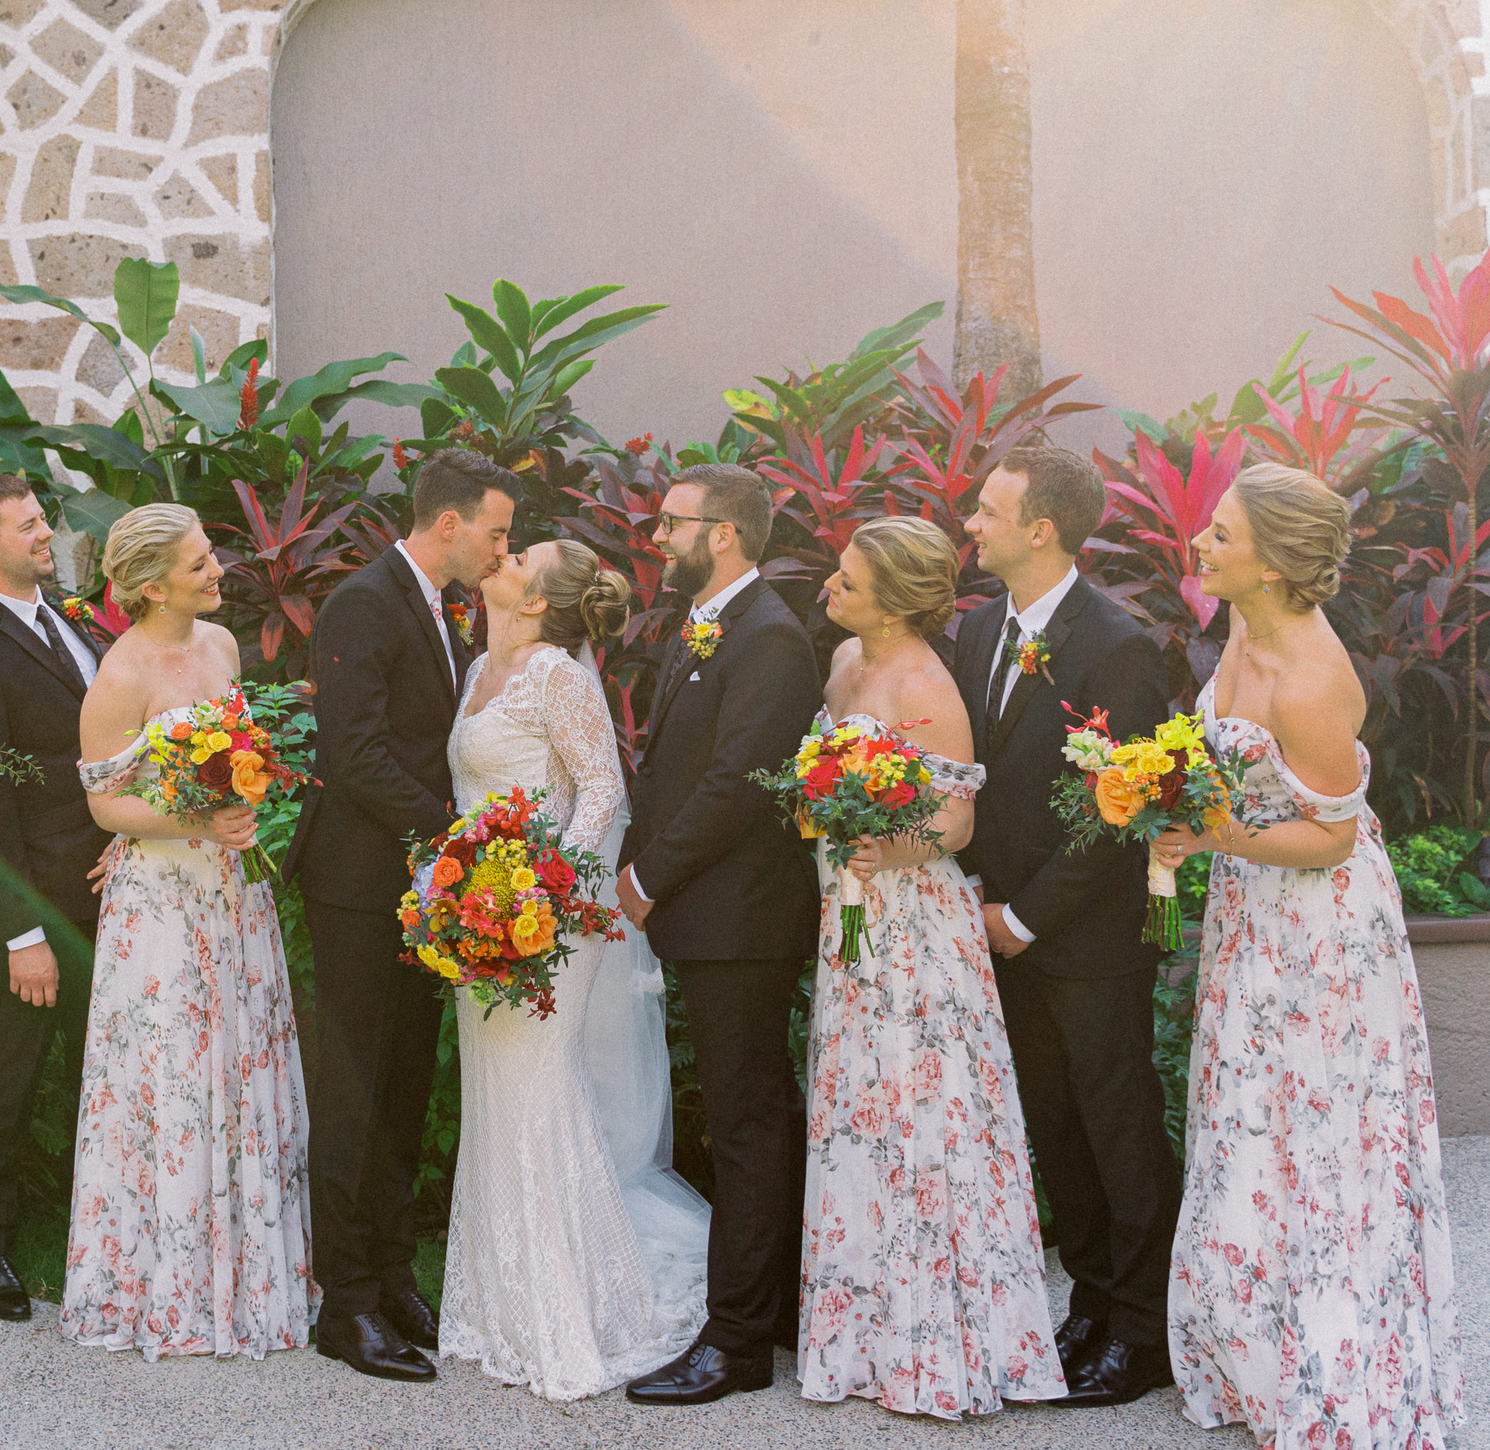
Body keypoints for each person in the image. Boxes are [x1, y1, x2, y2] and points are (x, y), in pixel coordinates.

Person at [1153, 462, 1462, 1449]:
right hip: (1253, 912)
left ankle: (1328, 1360)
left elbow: (1331, 837)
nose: (1201, 543)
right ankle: (1250, 1348)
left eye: (1222, 535)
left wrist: (1208, 837)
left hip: (1321, 933)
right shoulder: (1243, 627)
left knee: (1317, 1135)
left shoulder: (1315, 679)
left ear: (1278, 565)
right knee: (1248, 1119)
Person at [791, 517, 1065, 1417]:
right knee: (859, 1109)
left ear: (897, 598)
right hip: (851, 910)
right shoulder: (841, 665)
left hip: (914, 921)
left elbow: (954, 823)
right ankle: (863, 1330)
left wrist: (883, 844)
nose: (831, 588)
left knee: (921, 1111)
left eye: (849, 580)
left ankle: (943, 1335)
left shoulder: (925, 681)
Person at [436, 538, 710, 1400]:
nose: (502, 553)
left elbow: (602, 791)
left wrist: (545, 891)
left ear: (537, 597)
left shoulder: (557, 672)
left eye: (520, 554)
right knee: (496, 1097)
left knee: (540, 1091)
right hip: (480, 913)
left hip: (548, 920)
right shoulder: (482, 662)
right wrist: (470, 892)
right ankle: (499, 1304)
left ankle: (571, 1309)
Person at [952, 444, 1179, 1408]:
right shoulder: (973, 633)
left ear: (1041, 529)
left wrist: (1028, 916)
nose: (970, 522)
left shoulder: (1119, 645)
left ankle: (1145, 1327)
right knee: (1052, 1120)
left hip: (1081, 938)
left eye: (988, 509)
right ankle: (1089, 1297)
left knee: (1117, 1124)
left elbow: (1117, 814)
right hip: (992, 926)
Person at [288, 447, 519, 1382]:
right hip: (355, 885)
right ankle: (342, 1304)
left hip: (419, 890)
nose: (505, 549)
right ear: (450, 521)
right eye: (497, 531)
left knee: (403, 1089)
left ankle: (389, 1273)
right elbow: (355, 753)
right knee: (352, 1093)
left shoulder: (437, 608)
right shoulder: (363, 603)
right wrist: (457, 835)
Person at [63, 503, 313, 1358]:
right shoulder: (121, 674)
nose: (219, 572)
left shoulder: (222, 647)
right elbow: (104, 802)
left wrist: (238, 803)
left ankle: (244, 1273)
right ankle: (160, 1285)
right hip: (162, 901)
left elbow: (235, 758)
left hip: (231, 892)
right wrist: (199, 823)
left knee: (238, 1065)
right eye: (202, 562)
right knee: (170, 1075)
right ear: (148, 584)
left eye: (213, 556)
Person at [615, 462, 823, 1406]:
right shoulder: (704, 626)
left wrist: (649, 876)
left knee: (745, 1121)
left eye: (672, 524)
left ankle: (737, 1342)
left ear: (727, 533)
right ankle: (767, 1306)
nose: (658, 539)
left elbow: (738, 781)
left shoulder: (772, 640)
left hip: (742, 919)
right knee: (746, 1114)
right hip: (709, 917)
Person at [0, 474, 108, 1323]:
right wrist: (21, 930)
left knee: (98, 1071)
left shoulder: (66, 622)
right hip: (40, 906)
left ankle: (98, 1232)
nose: (47, 532)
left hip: (109, 885)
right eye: (29, 524)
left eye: (45, 519)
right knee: (9, 1076)